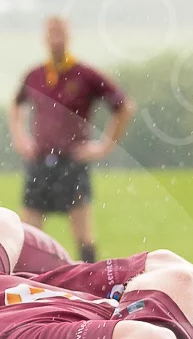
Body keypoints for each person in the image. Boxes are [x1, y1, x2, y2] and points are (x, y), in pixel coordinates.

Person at [8, 16, 131, 261]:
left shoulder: (85, 75)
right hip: (40, 161)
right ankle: (21, 284)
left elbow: (123, 107)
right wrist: (20, 138)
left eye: (60, 32)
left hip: (72, 162)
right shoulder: (35, 75)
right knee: (25, 235)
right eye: (51, 32)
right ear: (44, 37)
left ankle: (91, 290)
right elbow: (15, 105)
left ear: (69, 36)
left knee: (84, 238)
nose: (55, 38)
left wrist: (105, 146)